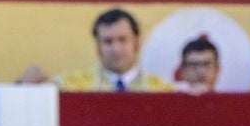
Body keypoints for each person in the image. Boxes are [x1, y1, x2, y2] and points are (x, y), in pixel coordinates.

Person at [18, 7, 172, 91]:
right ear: (98, 47)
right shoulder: (72, 85)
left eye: (122, 40)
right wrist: (24, 84)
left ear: (137, 43)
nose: (116, 49)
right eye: (108, 42)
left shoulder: (161, 89)